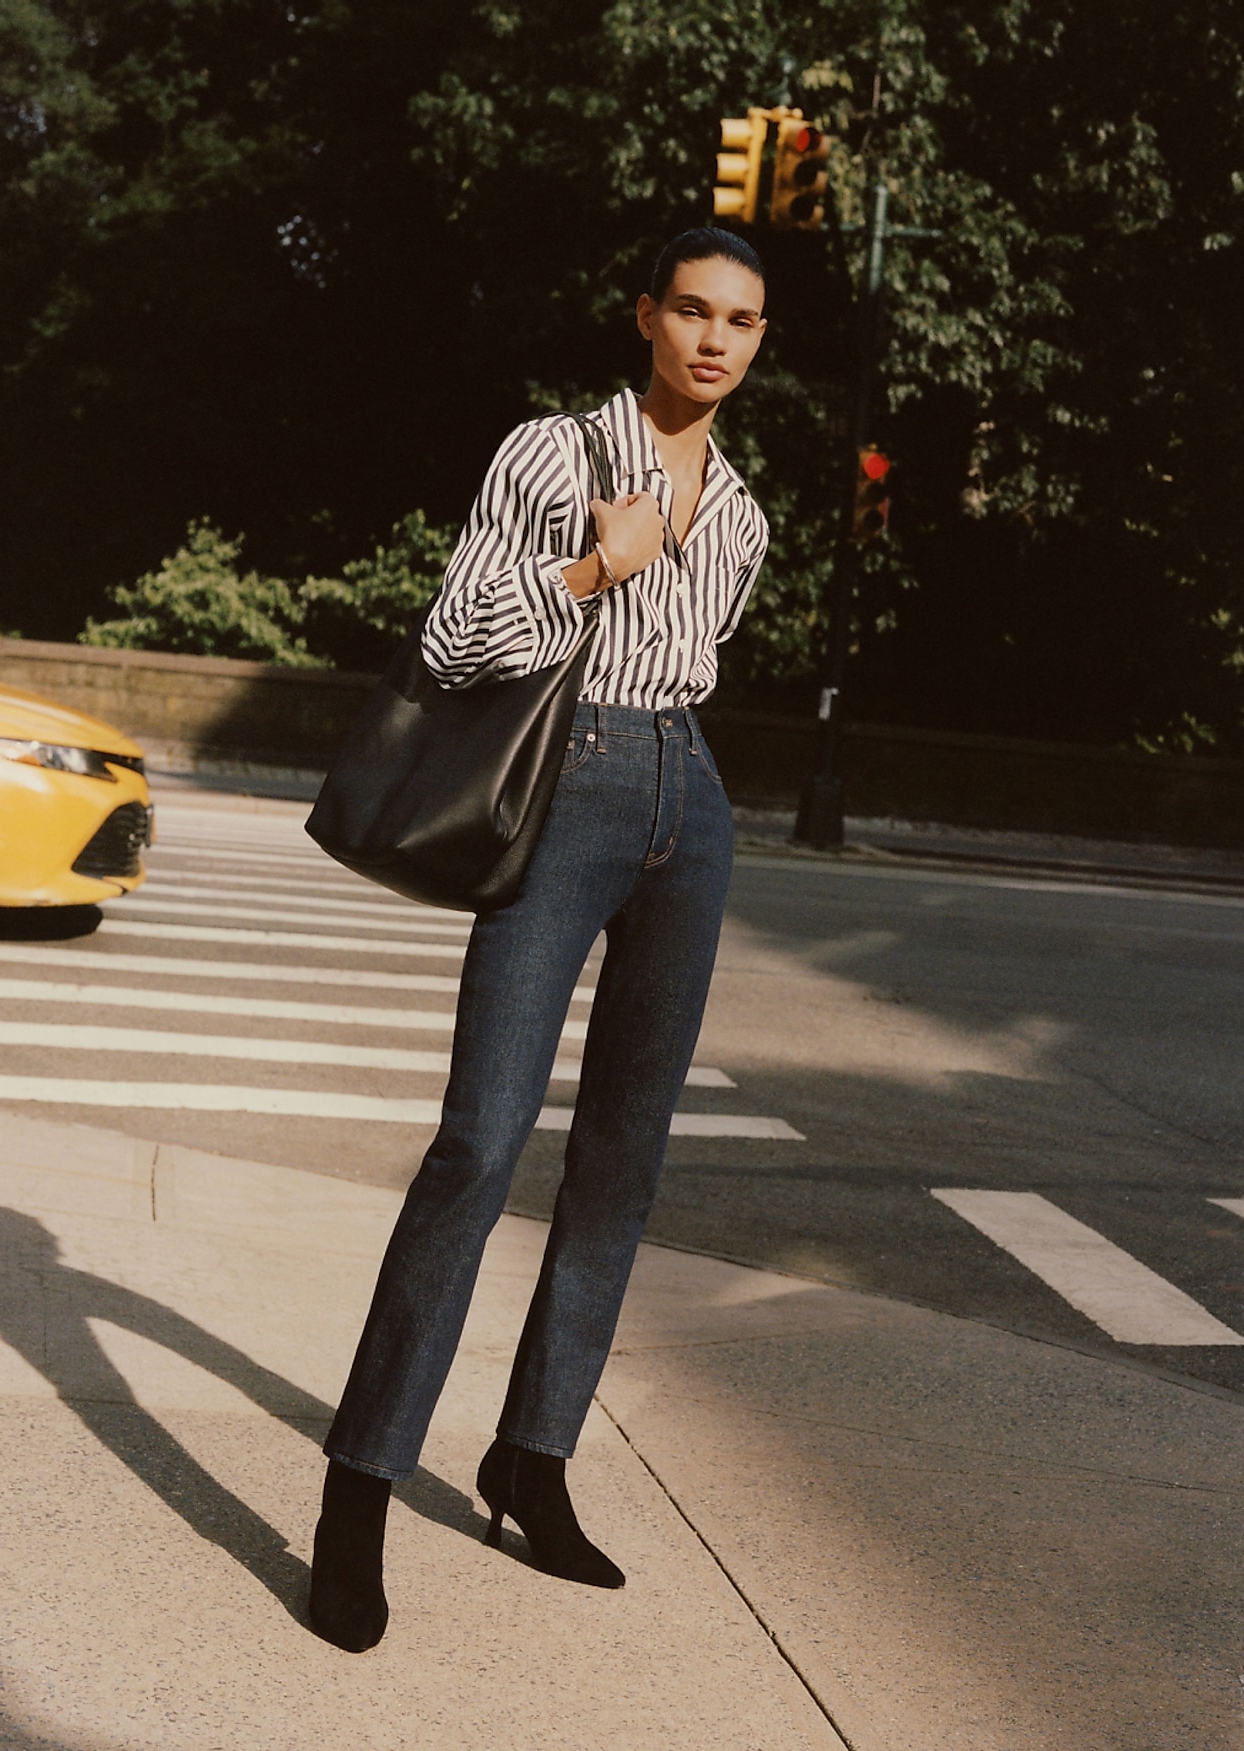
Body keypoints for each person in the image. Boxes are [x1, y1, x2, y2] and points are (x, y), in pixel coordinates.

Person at [309, 226, 770, 1652]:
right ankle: (358, 1492)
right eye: (689, 309)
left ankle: (533, 1457)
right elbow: (450, 641)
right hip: (561, 793)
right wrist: (588, 570)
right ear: (644, 317)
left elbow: (692, 664)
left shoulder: (745, 511)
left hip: (688, 805)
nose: (712, 339)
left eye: (742, 321)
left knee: (625, 1159)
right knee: (480, 1143)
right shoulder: (552, 454)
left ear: (759, 343)